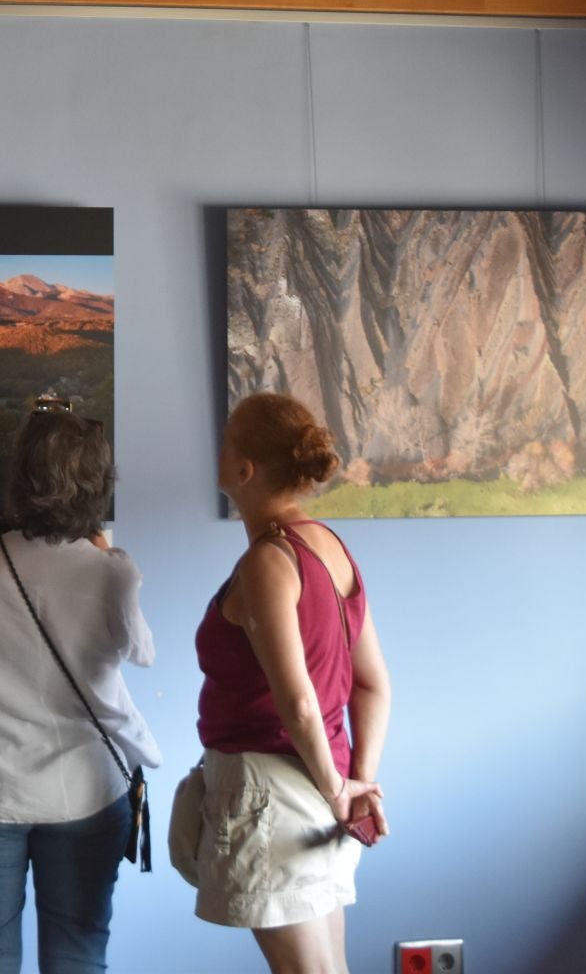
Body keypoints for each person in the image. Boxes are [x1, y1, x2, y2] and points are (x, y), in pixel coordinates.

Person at [0, 404, 161, 973]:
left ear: (21, 478)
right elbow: (141, 653)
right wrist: (112, 556)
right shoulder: (112, 573)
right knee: (78, 952)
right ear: (99, 484)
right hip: (86, 791)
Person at [191, 393, 393, 974]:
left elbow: (298, 701)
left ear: (244, 469)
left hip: (272, 794)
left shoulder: (267, 563)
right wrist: (357, 784)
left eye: (227, 439)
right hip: (322, 784)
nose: (219, 449)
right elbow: (373, 684)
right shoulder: (332, 548)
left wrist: (340, 791)